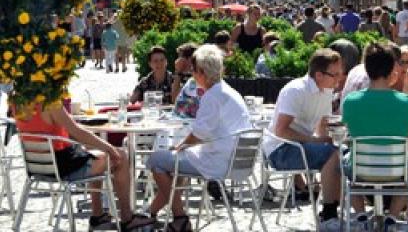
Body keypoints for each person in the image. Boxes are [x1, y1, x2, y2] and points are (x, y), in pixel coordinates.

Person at [146, 45, 251, 230]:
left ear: (202, 72)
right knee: (174, 165)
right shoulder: (229, 91)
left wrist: (179, 146)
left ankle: (180, 218)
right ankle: (150, 212)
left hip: (217, 162)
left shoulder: (212, 96)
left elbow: (199, 134)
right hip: (236, 160)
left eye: (193, 70)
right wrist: (182, 148)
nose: (192, 74)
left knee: (156, 160)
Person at [342, 42, 408, 230]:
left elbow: (348, 129)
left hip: (361, 168)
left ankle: (360, 214)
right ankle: (393, 216)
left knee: (344, 158)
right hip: (396, 169)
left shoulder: (351, 101)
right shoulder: (406, 102)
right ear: (392, 70)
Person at [16, 103, 153, 231]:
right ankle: (127, 218)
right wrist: (109, 148)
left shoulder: (17, 102)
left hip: (37, 167)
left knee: (95, 155)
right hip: (63, 167)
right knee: (120, 156)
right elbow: (77, 132)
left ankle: (98, 215)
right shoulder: (51, 104)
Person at [262, 49, 343, 229]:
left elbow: (322, 124)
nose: (340, 78)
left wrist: (329, 137)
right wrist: (315, 141)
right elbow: (281, 130)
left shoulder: (326, 90)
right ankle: (329, 213)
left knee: (342, 153)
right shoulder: (296, 90)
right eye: (335, 74)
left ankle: (334, 207)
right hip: (280, 150)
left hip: (300, 145)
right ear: (319, 75)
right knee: (335, 155)